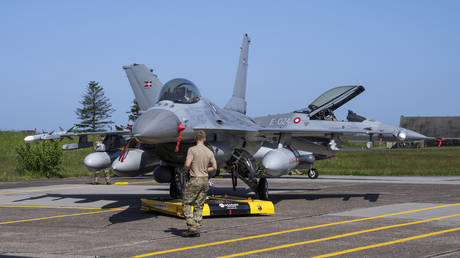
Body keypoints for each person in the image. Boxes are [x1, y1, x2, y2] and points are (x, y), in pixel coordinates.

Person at [181, 130, 217, 237]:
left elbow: (187, 164)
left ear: (195, 138)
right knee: (199, 205)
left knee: (186, 203)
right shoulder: (209, 152)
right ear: (204, 139)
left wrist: (185, 170)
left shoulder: (192, 150)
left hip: (195, 179)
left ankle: (191, 227)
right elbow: (215, 167)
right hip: (205, 180)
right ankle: (197, 228)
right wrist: (205, 169)